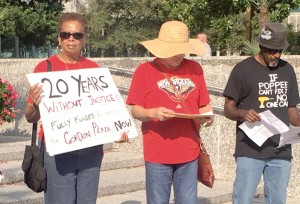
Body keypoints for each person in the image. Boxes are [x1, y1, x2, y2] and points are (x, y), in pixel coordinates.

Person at [24, 13, 128, 204]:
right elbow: (30, 117)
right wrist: (34, 103)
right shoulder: (44, 68)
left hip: (90, 152)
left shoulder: (94, 70)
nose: (71, 39)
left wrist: (118, 131)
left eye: (77, 35)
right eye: (66, 34)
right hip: (57, 152)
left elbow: (105, 109)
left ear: (84, 39)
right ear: (59, 38)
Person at [126, 20, 214, 204]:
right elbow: (135, 110)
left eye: (182, 49)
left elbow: (204, 104)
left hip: (189, 151)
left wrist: (207, 117)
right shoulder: (144, 71)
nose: (178, 55)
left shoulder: (195, 68)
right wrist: (153, 113)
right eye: (173, 50)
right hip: (157, 153)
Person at [223, 22, 300, 204]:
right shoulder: (242, 70)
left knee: (277, 201)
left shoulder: (287, 70)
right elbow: (228, 109)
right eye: (272, 51)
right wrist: (243, 113)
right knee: (242, 199)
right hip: (250, 150)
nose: (277, 55)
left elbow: (292, 112)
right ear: (261, 46)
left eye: (280, 50)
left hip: (281, 150)